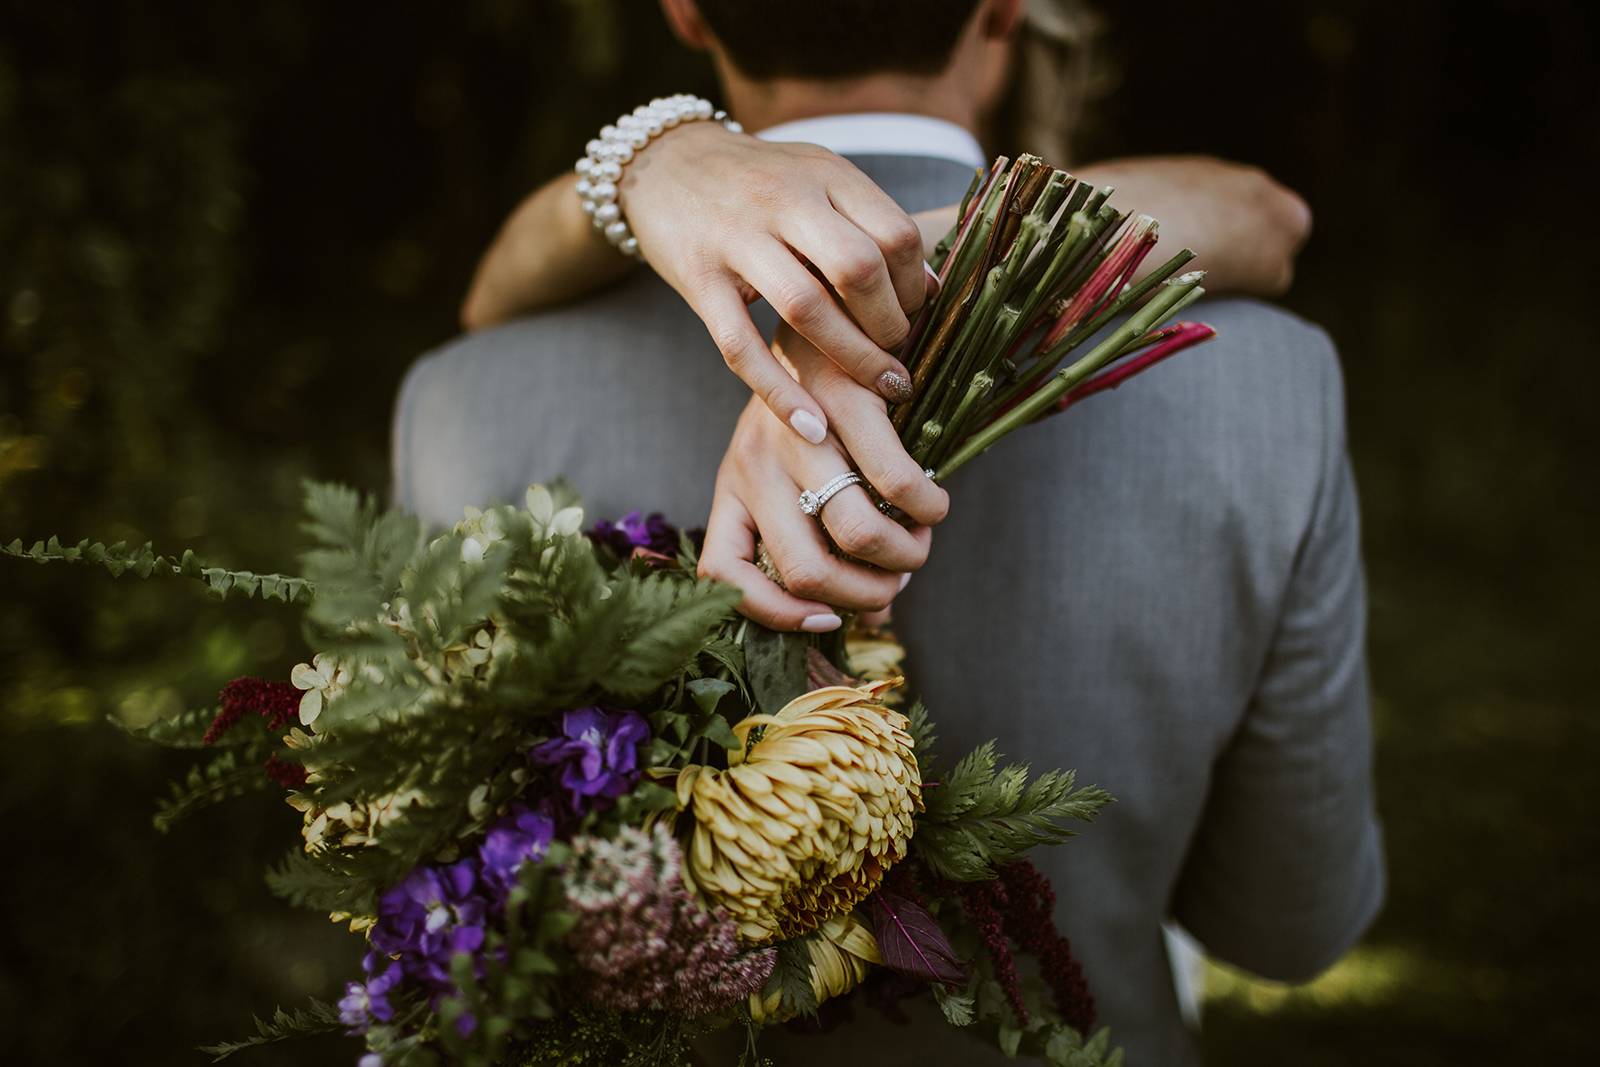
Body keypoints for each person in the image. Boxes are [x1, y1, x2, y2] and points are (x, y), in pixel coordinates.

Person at [391, 1, 1384, 1063]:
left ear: (681, 12)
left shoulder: (462, 398)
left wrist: (654, 158)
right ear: (1004, 8)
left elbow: (452, 914)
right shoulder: (1271, 381)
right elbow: (1288, 923)